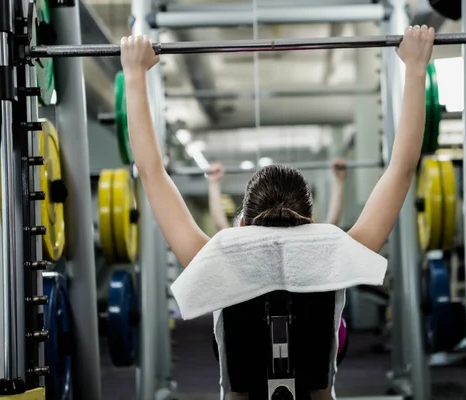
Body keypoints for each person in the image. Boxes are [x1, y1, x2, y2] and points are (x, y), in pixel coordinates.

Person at [121, 24, 434, 398]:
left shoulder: (217, 258)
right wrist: (415, 69)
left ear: (244, 223)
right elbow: (401, 169)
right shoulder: (332, 252)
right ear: (311, 221)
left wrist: (134, 74)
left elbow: (152, 174)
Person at [206, 159, 347, 231]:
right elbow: (332, 224)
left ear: (242, 224)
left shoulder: (234, 259)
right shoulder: (319, 257)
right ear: (311, 224)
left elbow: (221, 227)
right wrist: (339, 181)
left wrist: (213, 184)